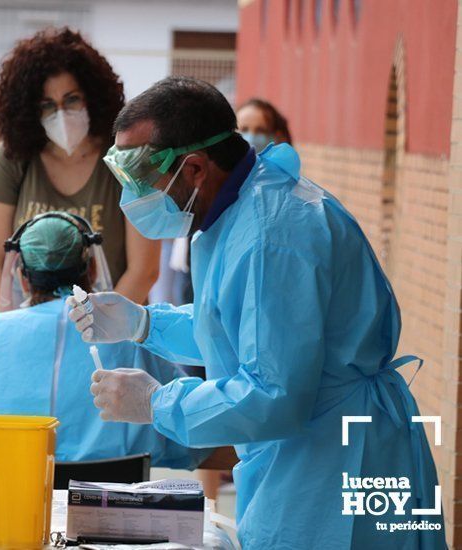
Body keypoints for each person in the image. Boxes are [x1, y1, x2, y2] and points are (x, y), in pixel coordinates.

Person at [68, 77, 445, 549]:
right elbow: (239, 327)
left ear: (195, 169)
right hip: (307, 451)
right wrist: (144, 323)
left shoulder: (272, 235)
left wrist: (157, 402)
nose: (135, 195)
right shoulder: (233, 211)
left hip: (334, 461)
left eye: (144, 179)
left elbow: (273, 394)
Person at [0, 212, 209, 468]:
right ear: (92, 270)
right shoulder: (128, 334)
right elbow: (192, 439)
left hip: (12, 502)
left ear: (23, 279)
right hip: (110, 506)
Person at [0, 27, 159, 310]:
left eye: (71, 99)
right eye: (47, 105)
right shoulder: (14, 157)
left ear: (93, 95)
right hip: (32, 332)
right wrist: (17, 329)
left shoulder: (125, 157)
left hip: (116, 335)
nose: (61, 113)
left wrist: (99, 331)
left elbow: (144, 270)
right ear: (29, 110)